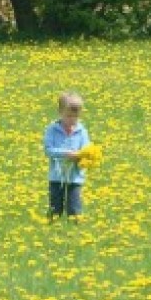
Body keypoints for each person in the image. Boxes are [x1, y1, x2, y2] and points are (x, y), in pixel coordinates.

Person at [43, 91, 91, 223]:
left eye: (75, 117)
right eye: (68, 116)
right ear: (60, 112)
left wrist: (82, 156)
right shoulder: (52, 130)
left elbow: (87, 150)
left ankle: (75, 229)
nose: (72, 120)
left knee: (75, 206)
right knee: (55, 207)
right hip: (56, 176)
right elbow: (48, 150)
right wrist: (66, 154)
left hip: (75, 176)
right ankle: (52, 226)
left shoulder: (82, 131)